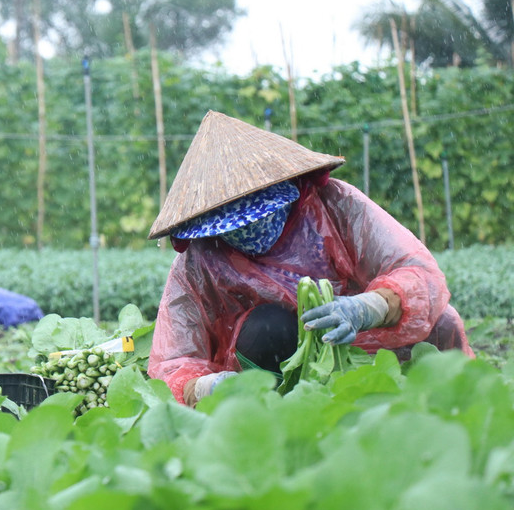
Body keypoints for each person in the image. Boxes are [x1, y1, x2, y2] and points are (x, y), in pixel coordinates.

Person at [146, 110, 472, 407]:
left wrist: (369, 308)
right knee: (267, 327)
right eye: (235, 225)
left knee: (443, 322)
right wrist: (206, 387)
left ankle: (445, 400)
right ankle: (273, 410)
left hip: (353, 338)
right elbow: (173, 360)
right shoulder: (201, 259)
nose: (250, 230)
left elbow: (417, 273)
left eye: (261, 213)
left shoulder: (335, 206)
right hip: (267, 356)